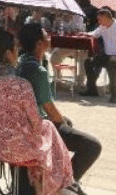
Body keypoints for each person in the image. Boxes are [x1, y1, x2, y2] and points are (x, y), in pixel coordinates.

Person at [0, 27, 74, 195]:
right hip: (17, 149)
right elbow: (36, 123)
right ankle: (56, 183)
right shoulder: (21, 85)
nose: (18, 51)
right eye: (16, 48)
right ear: (8, 53)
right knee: (49, 128)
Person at [18, 23, 101, 195]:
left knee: (67, 123)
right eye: (45, 35)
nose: (49, 37)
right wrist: (62, 122)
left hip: (26, 122)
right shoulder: (37, 70)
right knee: (92, 146)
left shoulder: (22, 62)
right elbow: (49, 109)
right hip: (39, 127)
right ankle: (64, 182)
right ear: (39, 43)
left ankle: (62, 176)